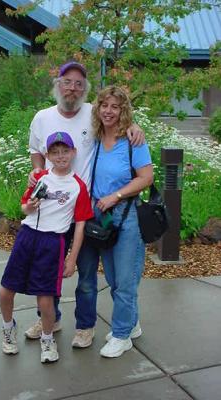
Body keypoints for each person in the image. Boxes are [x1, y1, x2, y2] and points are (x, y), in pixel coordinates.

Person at [25, 61, 145, 348]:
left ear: (85, 89)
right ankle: (49, 320)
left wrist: (135, 126)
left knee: (87, 275)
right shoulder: (42, 117)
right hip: (51, 211)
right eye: (67, 81)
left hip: (86, 211)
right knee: (47, 271)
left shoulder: (93, 112)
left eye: (79, 83)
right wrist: (37, 171)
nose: (73, 88)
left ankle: (85, 326)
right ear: (58, 84)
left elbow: (117, 115)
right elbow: (35, 151)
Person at [0, 131, 93, 363]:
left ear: (74, 152)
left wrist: (72, 258)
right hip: (27, 236)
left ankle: (48, 340)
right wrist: (29, 206)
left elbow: (80, 225)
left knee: (45, 298)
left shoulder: (78, 186)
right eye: (55, 152)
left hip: (53, 241)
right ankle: (8, 330)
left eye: (65, 151)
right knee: (6, 290)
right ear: (47, 154)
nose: (60, 156)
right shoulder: (39, 177)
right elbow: (24, 207)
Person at [90, 85, 153, 358]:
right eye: (105, 105)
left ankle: (121, 335)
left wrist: (116, 196)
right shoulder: (93, 138)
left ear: (123, 110)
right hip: (101, 217)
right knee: (114, 278)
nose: (109, 111)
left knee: (126, 280)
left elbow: (146, 177)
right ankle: (131, 323)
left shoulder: (133, 141)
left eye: (115, 106)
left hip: (126, 215)